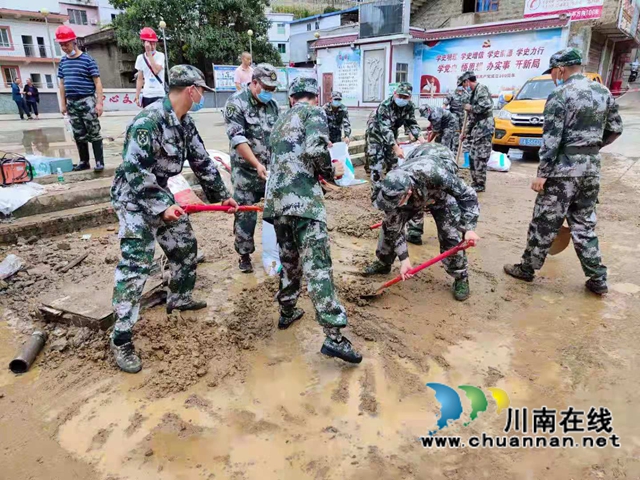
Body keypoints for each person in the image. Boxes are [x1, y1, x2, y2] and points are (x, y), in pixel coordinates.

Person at [110, 65, 238, 373]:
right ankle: (121, 339)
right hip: (133, 199)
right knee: (136, 265)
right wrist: (159, 206)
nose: (201, 97)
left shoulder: (185, 123)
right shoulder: (148, 122)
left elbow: (202, 162)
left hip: (160, 195)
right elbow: (135, 171)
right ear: (190, 90)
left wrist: (222, 195)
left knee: (184, 245)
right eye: (200, 91)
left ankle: (180, 297)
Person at [504, 48, 623, 295]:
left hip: (561, 172)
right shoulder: (603, 92)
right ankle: (597, 278)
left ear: (560, 69)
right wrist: (591, 148)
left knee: (545, 222)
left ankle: (527, 269)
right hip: (591, 170)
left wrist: (542, 173)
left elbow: (551, 139)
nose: (553, 77)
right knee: (584, 224)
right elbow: (615, 129)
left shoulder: (560, 94)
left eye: (553, 72)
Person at [264, 76, 362, 364]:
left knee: (290, 262)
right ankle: (334, 337)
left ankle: (287, 311)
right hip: (305, 202)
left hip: (278, 204)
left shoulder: (280, 121)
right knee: (317, 266)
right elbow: (316, 150)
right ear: (313, 96)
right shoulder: (313, 113)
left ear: (291, 97)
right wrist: (332, 174)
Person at [362, 143, 480, 301]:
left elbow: (467, 195)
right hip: (418, 160)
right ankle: (384, 262)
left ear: (408, 193)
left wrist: (469, 228)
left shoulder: (437, 174)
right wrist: (404, 260)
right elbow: (394, 226)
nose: (392, 207)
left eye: (397, 202)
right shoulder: (388, 188)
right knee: (389, 225)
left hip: (440, 182)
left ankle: (460, 277)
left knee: (449, 233)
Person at [223, 63, 279, 273]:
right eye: (266, 88)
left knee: (274, 215)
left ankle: (275, 252)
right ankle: (244, 255)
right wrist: (256, 164)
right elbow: (238, 138)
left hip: (269, 173)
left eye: (273, 90)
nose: (269, 93)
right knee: (246, 215)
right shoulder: (236, 103)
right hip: (246, 172)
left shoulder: (272, 106)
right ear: (254, 83)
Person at [55, 25, 105, 172]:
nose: (64, 47)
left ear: (74, 41)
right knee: (78, 133)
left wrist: (99, 103)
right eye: (61, 44)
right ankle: (84, 161)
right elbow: (62, 84)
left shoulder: (88, 60)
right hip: (72, 102)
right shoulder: (63, 62)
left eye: (66, 43)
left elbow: (97, 82)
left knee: (93, 131)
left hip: (87, 100)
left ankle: (99, 162)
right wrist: (63, 104)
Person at [365, 82, 425, 200]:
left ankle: (392, 191)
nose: (402, 99)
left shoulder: (409, 106)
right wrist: (396, 147)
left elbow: (411, 123)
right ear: (394, 94)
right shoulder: (385, 105)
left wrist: (421, 138)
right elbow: (385, 129)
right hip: (376, 133)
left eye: (405, 97)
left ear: (410, 97)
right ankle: (376, 195)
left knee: (393, 163)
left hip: (392, 132)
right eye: (400, 96)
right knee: (377, 164)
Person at [459, 71, 494, 192]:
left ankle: (480, 184)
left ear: (467, 81)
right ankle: (475, 182)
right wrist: (465, 133)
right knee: (473, 156)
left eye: (463, 84)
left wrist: (471, 108)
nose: (464, 87)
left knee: (480, 156)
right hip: (477, 128)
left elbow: (485, 106)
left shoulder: (481, 89)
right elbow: (472, 119)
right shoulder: (473, 93)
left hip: (485, 128)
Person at [134, 27, 166, 108]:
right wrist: (137, 96)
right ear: (144, 43)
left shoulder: (160, 56)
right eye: (150, 43)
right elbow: (140, 78)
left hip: (159, 94)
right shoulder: (140, 58)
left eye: (154, 43)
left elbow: (156, 70)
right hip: (147, 95)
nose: (152, 46)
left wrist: (149, 53)